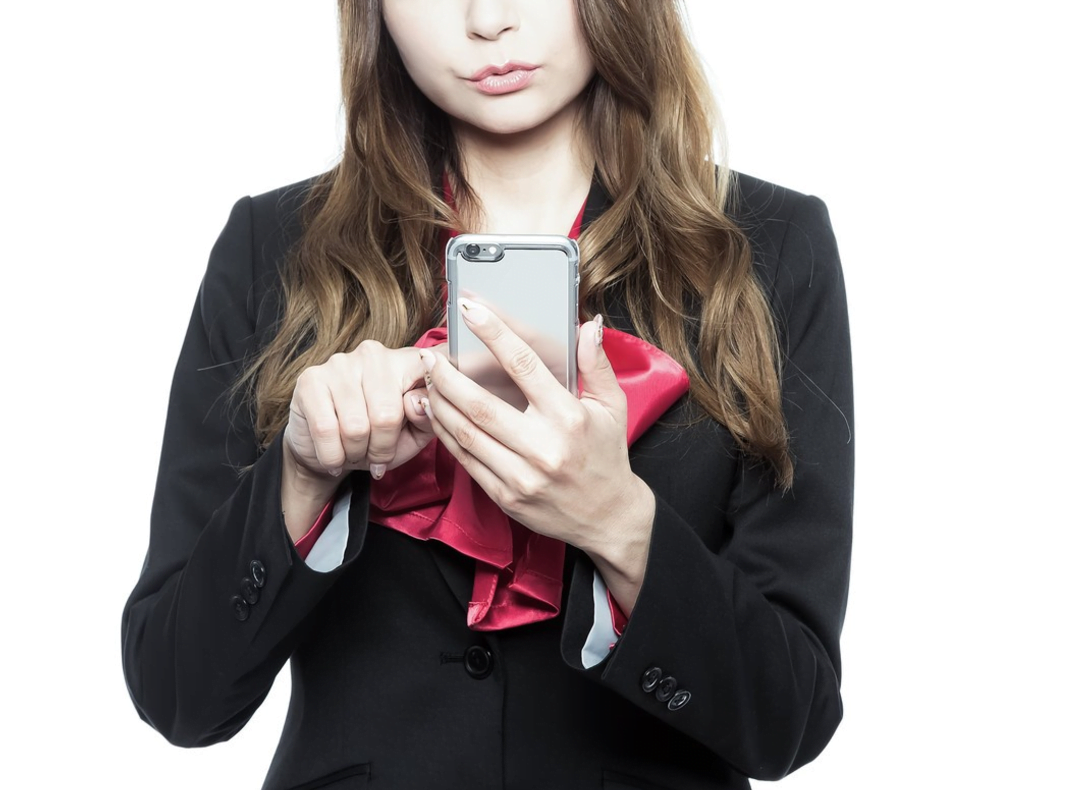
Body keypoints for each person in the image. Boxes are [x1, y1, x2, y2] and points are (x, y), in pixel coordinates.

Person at [121, 1, 854, 788]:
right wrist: (301, 479)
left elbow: (790, 719)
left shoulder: (768, 249)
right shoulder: (272, 249)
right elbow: (177, 695)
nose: (489, 20)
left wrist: (618, 525)